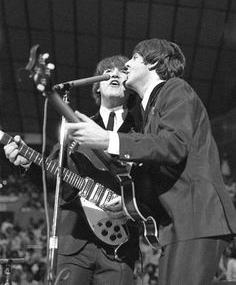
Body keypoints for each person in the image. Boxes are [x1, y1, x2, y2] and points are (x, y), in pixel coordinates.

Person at [65, 38, 236, 285]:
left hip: (198, 218)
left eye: (134, 58)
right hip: (179, 224)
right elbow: (161, 170)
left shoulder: (176, 89)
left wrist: (107, 139)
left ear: (154, 62)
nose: (127, 65)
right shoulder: (148, 114)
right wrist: (125, 203)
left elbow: (173, 146)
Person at [4, 55, 140, 285]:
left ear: (131, 85)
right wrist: (28, 163)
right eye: (107, 70)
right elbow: (54, 176)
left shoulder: (143, 132)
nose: (115, 73)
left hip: (120, 246)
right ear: (96, 85)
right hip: (74, 244)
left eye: (122, 70)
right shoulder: (75, 126)